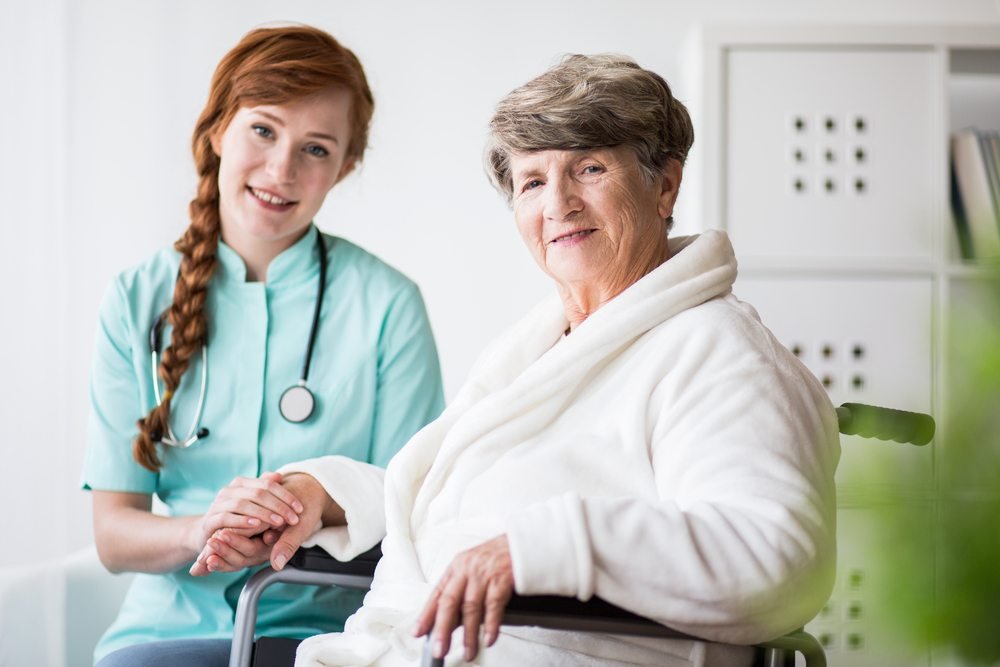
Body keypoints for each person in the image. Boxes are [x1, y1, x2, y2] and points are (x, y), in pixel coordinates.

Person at [209, 54, 840, 667]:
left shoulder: (718, 353)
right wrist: (328, 494)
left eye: (589, 169)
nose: (557, 204)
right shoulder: (547, 343)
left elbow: (778, 561)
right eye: (532, 181)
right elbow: (470, 505)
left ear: (664, 184)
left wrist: (544, 550)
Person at [82, 25, 445, 667]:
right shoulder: (135, 300)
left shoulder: (389, 306)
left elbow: (412, 505)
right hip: (163, 636)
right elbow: (113, 533)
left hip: (329, 637)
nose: (282, 170)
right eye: (263, 130)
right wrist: (203, 531)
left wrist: (310, 510)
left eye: (316, 148)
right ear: (219, 128)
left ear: (346, 166)